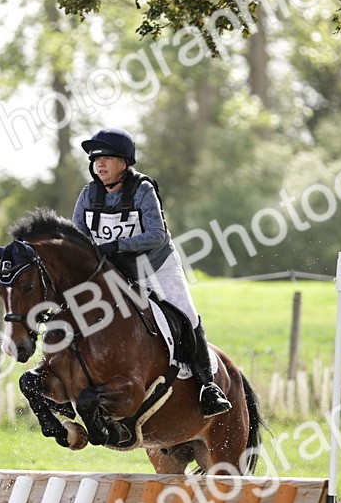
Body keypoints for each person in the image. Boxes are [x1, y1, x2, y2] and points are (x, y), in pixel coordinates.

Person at [70, 128, 232, 418]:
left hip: (156, 266)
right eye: (96, 160)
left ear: (124, 163)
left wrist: (115, 245)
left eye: (107, 158)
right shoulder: (88, 195)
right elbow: (77, 238)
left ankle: (207, 386)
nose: (100, 165)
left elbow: (156, 235)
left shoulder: (143, 190)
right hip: (115, 272)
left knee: (185, 313)